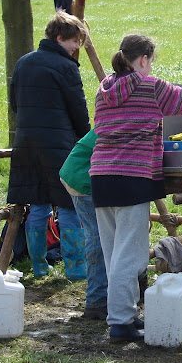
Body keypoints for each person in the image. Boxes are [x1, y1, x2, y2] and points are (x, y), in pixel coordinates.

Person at [89, 34, 182, 343]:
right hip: (131, 176)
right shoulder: (152, 86)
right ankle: (121, 323)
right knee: (130, 255)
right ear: (144, 59)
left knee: (113, 253)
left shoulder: (104, 89)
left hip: (100, 175)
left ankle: (123, 315)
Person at [7, 10, 90, 279]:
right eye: (74, 41)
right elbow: (78, 109)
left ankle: (40, 266)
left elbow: (14, 104)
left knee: (38, 203)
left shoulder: (23, 63)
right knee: (67, 203)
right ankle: (76, 268)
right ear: (59, 37)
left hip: (26, 142)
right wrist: (86, 140)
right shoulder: (66, 68)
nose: (77, 47)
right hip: (58, 144)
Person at [59, 129, 149, 320]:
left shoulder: (127, 120)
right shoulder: (127, 124)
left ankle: (132, 290)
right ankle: (97, 301)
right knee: (100, 237)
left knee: (120, 235)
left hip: (96, 173)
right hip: (83, 176)